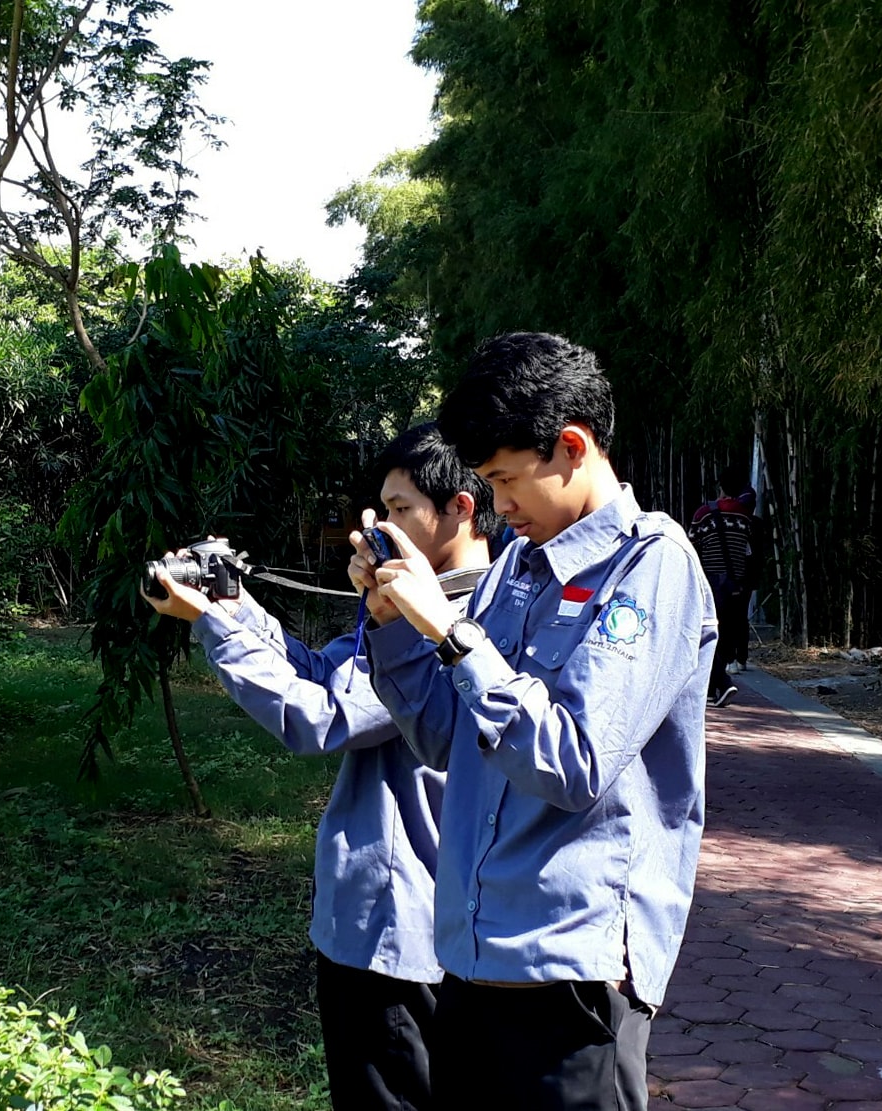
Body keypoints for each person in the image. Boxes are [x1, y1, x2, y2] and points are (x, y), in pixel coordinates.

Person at [350, 333, 713, 1111]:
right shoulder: (514, 568)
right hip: (472, 961)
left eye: (507, 480)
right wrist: (393, 626)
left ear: (572, 447)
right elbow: (444, 738)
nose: (501, 506)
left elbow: (573, 762)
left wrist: (452, 632)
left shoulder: (651, 565)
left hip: (570, 979)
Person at [143, 422, 496, 1111]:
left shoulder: (451, 620)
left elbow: (320, 716)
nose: (378, 528)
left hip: (402, 930)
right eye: (381, 509)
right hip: (396, 928)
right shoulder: (418, 606)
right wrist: (235, 605)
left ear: (460, 508)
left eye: (399, 510)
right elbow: (321, 671)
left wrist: (208, 625)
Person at [689, 468, 762, 705]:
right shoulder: (745, 517)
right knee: (728, 632)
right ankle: (717, 683)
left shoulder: (703, 514)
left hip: (710, 581)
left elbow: (692, 546)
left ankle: (720, 683)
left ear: (721, 486)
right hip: (737, 583)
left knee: (707, 633)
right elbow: (748, 551)